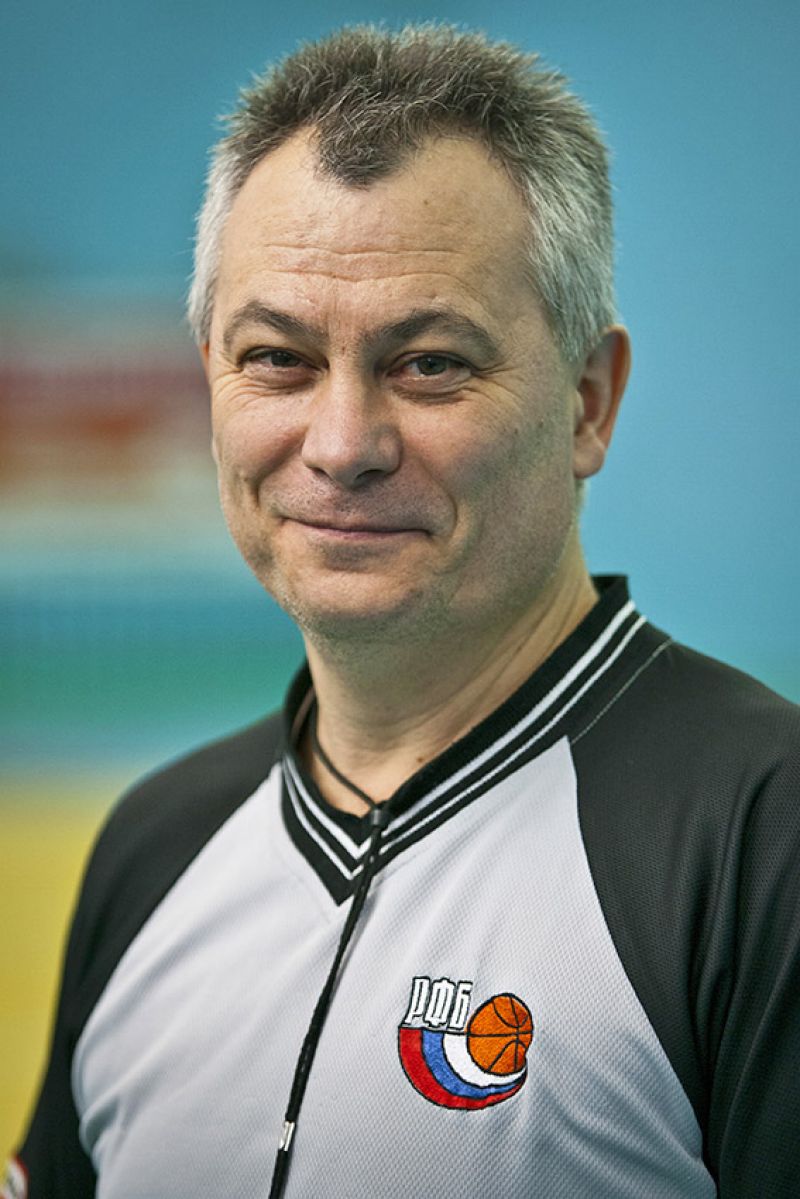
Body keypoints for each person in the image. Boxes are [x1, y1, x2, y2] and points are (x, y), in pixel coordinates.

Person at [5, 23, 798, 1199]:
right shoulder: (153, 846)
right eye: (276, 357)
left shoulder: (760, 833)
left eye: (427, 362)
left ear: (587, 401)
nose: (341, 444)